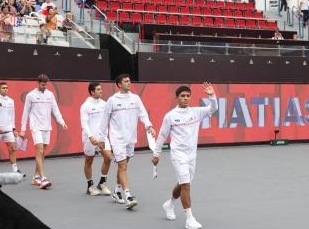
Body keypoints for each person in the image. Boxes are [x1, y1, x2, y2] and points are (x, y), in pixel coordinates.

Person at [152, 83, 218, 229]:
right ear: (177, 98)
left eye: (188, 96)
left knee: (183, 184)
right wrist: (156, 154)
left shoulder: (196, 112)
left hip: (192, 156)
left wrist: (212, 95)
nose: (186, 98)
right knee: (186, 185)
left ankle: (169, 204)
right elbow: (162, 135)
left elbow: (213, 108)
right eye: (182, 96)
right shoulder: (170, 116)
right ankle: (189, 219)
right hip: (177, 155)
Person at [98, 74, 156, 210]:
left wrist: (149, 126)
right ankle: (128, 196)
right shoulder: (112, 100)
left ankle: (117, 190)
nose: (129, 83)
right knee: (123, 166)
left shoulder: (135, 98)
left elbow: (143, 114)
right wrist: (101, 139)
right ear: (119, 84)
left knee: (123, 166)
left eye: (129, 81)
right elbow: (104, 120)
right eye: (126, 81)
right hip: (117, 139)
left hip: (131, 138)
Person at [20, 74, 67, 189]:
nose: (44, 86)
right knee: (39, 150)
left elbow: (55, 109)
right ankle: (43, 178)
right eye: (42, 84)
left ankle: (36, 177)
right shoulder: (31, 95)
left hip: (47, 127)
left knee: (42, 152)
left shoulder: (50, 95)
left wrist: (61, 121)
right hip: (35, 126)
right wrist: (22, 129)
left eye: (46, 84)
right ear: (38, 83)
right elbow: (25, 112)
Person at [80, 82, 113, 196]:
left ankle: (102, 184)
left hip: (102, 137)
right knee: (89, 160)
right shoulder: (85, 106)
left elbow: (107, 122)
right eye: (98, 90)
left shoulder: (105, 104)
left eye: (101, 89)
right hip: (89, 138)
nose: (101, 91)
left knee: (108, 158)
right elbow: (84, 123)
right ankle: (90, 186)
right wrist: (91, 136)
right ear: (92, 92)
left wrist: (104, 136)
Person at [0, 82, 24, 176]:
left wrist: (14, 129)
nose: (5, 89)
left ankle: (15, 170)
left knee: (12, 149)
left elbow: (12, 115)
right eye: (3, 88)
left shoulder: (11, 101)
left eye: (6, 88)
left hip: (8, 129)